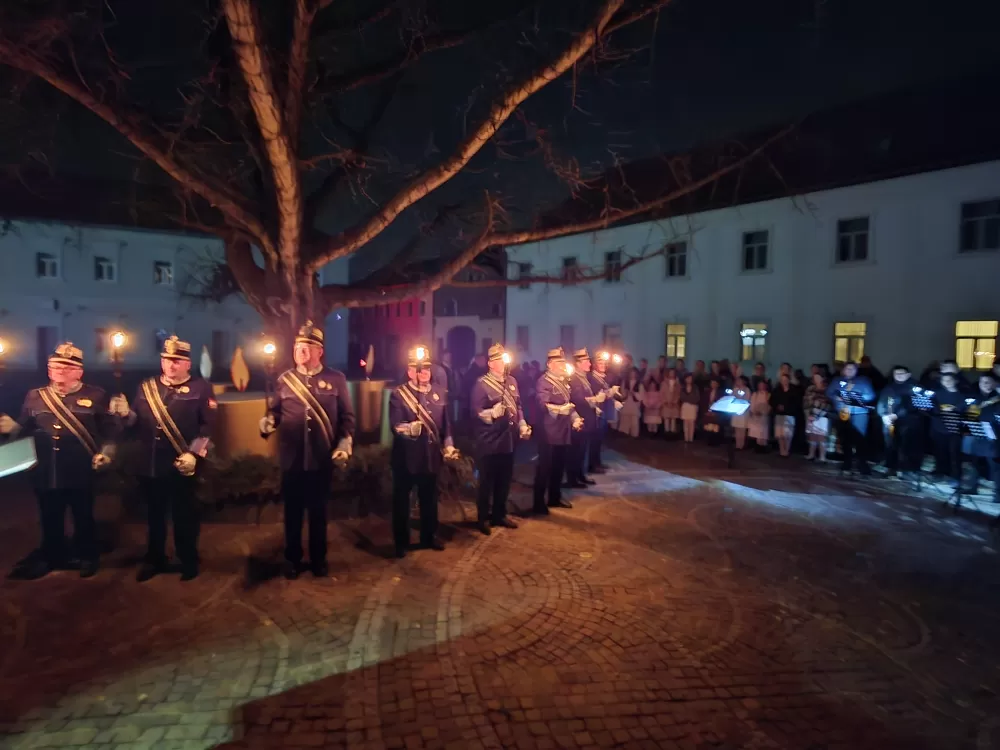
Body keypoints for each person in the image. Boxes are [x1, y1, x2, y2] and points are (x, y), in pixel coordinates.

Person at [0, 343, 123, 580]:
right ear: (48, 370)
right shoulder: (35, 396)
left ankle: (87, 556)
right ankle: (53, 556)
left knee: (83, 515)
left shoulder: (96, 395)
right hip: (46, 470)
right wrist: (14, 428)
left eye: (67, 368)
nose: (60, 372)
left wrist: (107, 452)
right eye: (55, 367)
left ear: (79, 372)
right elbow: (26, 428)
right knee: (50, 516)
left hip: (80, 469)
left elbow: (111, 430)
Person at [260, 321, 355, 579]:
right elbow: (275, 412)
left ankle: (318, 559)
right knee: (292, 513)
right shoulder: (285, 380)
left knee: (318, 512)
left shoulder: (336, 379)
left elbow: (347, 417)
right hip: (292, 459)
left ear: (319, 351)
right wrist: (268, 422)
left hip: (321, 458)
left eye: (307, 347)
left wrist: (344, 443)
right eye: (298, 347)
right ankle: (292, 558)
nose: (301, 352)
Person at [128, 336, 216, 581]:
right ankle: (154, 558)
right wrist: (125, 415)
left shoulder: (201, 389)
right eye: (167, 360)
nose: (171, 365)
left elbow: (208, 428)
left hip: (183, 465)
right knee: (154, 516)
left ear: (188, 364)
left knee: (184, 515)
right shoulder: (146, 387)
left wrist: (194, 453)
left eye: (177, 361)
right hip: (151, 464)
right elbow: (135, 421)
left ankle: (187, 559)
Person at [389, 344, 458, 557]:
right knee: (402, 501)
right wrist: (409, 428)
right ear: (410, 371)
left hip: (431, 456)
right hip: (406, 457)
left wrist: (449, 445)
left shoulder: (439, 392)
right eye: (418, 369)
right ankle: (401, 542)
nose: (424, 372)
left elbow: (446, 426)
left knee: (429, 498)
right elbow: (395, 425)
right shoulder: (399, 394)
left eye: (427, 368)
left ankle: (428, 536)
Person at [471, 344, 530, 535]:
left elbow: (518, 405)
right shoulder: (481, 384)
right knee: (486, 481)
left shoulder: (511, 380)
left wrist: (522, 423)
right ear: (490, 363)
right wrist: (491, 413)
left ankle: (499, 513)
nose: (503, 363)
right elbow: (475, 412)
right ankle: (482, 518)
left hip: (508, 439)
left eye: (503, 360)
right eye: (499, 360)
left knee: (504, 480)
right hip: (489, 439)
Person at [534, 348, 583, 514]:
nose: (563, 365)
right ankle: (538, 502)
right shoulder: (543, 381)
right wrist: (561, 410)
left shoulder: (563, 381)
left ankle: (554, 497)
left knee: (558, 467)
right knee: (544, 468)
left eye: (563, 362)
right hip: (548, 432)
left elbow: (569, 404)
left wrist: (575, 418)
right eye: (559, 362)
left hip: (563, 431)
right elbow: (543, 404)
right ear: (550, 364)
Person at [826, 361, 876, 475]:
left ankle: (862, 464)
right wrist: (836, 397)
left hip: (859, 413)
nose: (849, 371)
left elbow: (871, 395)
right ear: (843, 370)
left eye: (852, 369)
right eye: (847, 369)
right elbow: (829, 392)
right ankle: (847, 463)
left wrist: (857, 397)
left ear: (856, 370)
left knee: (860, 439)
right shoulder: (837, 381)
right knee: (845, 439)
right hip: (843, 413)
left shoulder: (863, 381)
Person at [876, 365, 923, 479]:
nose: (899, 376)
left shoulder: (914, 387)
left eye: (901, 374)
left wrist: (897, 415)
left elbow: (912, 406)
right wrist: (883, 415)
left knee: (905, 446)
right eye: (896, 374)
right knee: (890, 445)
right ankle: (891, 467)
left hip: (906, 421)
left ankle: (905, 469)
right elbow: (881, 402)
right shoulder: (889, 387)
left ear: (908, 375)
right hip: (889, 421)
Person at [565, 348, 601, 487]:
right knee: (575, 451)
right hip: (579, 419)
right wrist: (594, 400)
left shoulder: (583, 377)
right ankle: (572, 479)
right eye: (586, 361)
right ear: (578, 363)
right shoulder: (574, 378)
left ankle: (580, 475)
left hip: (586, 419)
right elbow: (577, 399)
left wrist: (594, 405)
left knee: (581, 450)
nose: (590, 364)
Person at [587, 351, 623, 472]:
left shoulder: (603, 378)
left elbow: (605, 392)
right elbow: (598, 394)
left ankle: (597, 462)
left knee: (599, 440)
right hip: (596, 413)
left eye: (605, 363)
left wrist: (613, 400)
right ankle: (592, 464)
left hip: (603, 413)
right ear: (595, 364)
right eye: (600, 362)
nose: (603, 365)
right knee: (594, 440)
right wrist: (610, 393)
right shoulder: (592, 377)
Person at [930, 368, 967, 484]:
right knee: (940, 451)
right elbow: (932, 408)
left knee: (954, 453)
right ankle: (940, 472)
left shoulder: (962, 395)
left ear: (956, 381)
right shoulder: (937, 393)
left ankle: (955, 476)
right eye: (944, 380)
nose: (946, 382)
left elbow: (965, 409)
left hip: (954, 428)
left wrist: (955, 409)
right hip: (938, 426)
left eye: (949, 380)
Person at [804, 373, 832, 462]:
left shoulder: (826, 390)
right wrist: (808, 413)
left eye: (818, 377)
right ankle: (811, 454)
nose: (816, 380)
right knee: (812, 435)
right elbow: (806, 401)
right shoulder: (810, 389)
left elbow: (827, 404)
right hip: (810, 414)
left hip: (822, 416)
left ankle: (822, 456)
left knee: (821, 436)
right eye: (814, 378)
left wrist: (817, 415)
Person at [771, 372, 798, 457]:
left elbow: (796, 403)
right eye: (782, 380)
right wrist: (777, 406)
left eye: (786, 380)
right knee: (780, 434)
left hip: (789, 415)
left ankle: (787, 450)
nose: (784, 381)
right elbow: (772, 400)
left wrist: (786, 407)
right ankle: (782, 450)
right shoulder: (777, 390)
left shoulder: (793, 390)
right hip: (779, 415)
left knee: (788, 434)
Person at [618, 368, 642, 437]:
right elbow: (622, 395)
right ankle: (624, 436)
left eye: (634, 373)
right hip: (626, 405)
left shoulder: (639, 384)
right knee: (625, 422)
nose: (632, 374)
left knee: (634, 423)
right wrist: (626, 393)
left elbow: (641, 397)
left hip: (635, 406)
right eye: (631, 373)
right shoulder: (625, 382)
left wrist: (634, 393)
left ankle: (634, 436)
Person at [748, 379, 771, 451]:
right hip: (755, 415)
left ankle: (763, 446)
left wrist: (764, 412)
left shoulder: (768, 394)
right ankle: (757, 446)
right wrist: (753, 411)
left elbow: (769, 405)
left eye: (763, 385)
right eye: (760, 385)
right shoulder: (755, 394)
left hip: (764, 415)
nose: (761, 386)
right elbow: (752, 403)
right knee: (756, 431)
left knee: (763, 431)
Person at [679, 373, 699, 443]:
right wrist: (688, 399)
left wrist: (690, 400)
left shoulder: (695, 387)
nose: (689, 380)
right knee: (685, 423)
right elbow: (682, 397)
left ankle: (691, 439)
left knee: (691, 423)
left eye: (690, 378)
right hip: (685, 406)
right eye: (687, 378)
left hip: (692, 406)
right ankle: (686, 438)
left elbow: (697, 397)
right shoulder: (683, 388)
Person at [660, 368, 681, 438]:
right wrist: (665, 402)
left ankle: (672, 434)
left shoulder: (678, 383)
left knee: (673, 419)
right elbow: (662, 393)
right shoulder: (664, 383)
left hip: (674, 404)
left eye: (673, 372)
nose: (672, 374)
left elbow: (678, 394)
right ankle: (667, 434)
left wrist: (674, 402)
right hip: (666, 403)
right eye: (670, 372)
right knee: (666, 419)